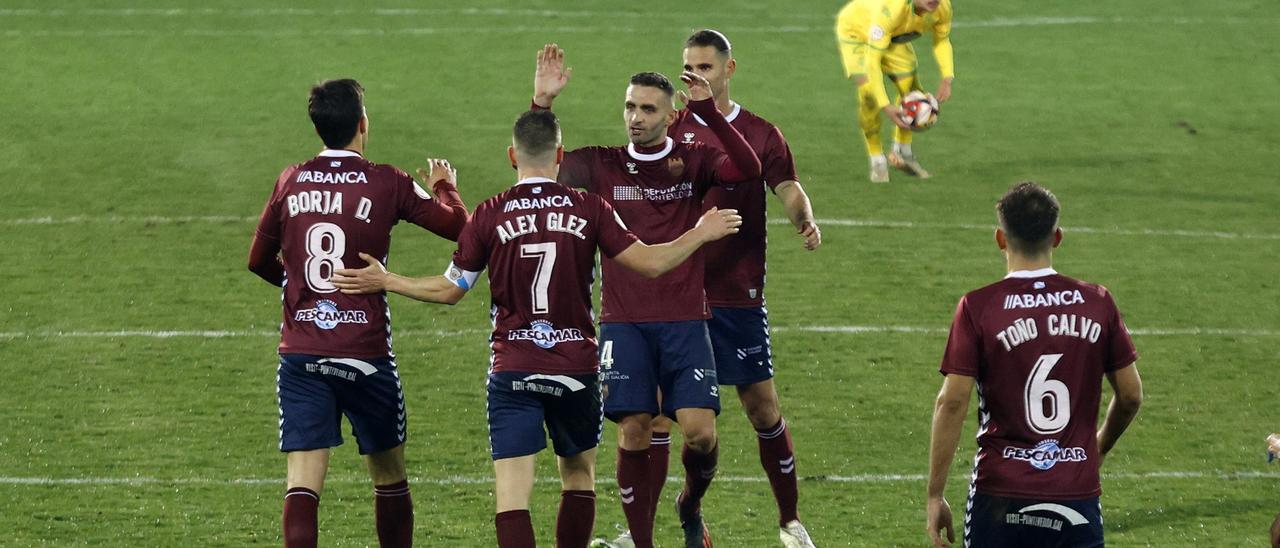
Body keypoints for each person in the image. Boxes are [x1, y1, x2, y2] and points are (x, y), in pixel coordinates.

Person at [330, 108, 743, 548]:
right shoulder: (590, 207)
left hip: (514, 369)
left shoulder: (490, 213)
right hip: (576, 368)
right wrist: (701, 232)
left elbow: (451, 289)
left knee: (512, 495)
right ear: (560, 155)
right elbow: (651, 263)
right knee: (579, 478)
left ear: (512, 155)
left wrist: (387, 280)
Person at [531, 44, 761, 548]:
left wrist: (710, 115)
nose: (635, 118)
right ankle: (642, 543)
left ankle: (690, 502)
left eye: (648, 108)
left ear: (670, 115)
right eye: (630, 106)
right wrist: (542, 105)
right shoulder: (600, 165)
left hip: (684, 318)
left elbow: (747, 169)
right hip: (623, 321)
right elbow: (536, 171)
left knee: (700, 433)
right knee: (633, 429)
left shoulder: (694, 160)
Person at [607, 29, 821, 548]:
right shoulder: (670, 129)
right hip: (678, 295)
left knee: (762, 408)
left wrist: (803, 218)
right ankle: (643, 533)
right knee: (655, 418)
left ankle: (788, 520)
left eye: (704, 67)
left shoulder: (760, 133)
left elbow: (787, 186)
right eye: (688, 68)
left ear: (729, 69)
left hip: (736, 293)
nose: (695, 77)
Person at [246, 78, 469, 548]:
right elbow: (460, 230)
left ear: (318, 128)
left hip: (303, 352)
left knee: (303, 481)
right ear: (362, 124)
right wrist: (445, 185)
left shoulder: (291, 179)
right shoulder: (387, 180)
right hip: (364, 353)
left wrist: (299, 286)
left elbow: (256, 261)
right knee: (389, 476)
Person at [924, 182, 1143, 547]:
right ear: (1057, 237)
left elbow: (952, 402)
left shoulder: (978, 307)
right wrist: (1098, 447)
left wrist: (935, 494)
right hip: (1075, 492)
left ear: (1000, 238)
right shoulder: (1098, 302)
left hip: (999, 495)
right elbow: (1131, 395)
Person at [835, 0, 954, 182]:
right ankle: (877, 160)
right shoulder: (891, 10)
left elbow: (942, 40)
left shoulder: (942, 7)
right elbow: (871, 62)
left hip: (890, 37)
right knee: (869, 94)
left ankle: (902, 151)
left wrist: (947, 77)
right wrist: (885, 105)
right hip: (856, 32)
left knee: (910, 89)